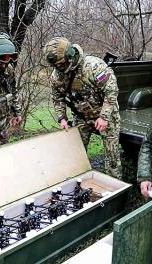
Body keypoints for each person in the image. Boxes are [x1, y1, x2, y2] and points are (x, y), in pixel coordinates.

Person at [43, 37, 122, 179]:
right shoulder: (57, 76)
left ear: (70, 56)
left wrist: (104, 117)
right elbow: (57, 97)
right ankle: (78, 184)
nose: (59, 68)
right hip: (81, 116)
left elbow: (111, 91)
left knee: (112, 158)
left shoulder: (93, 66)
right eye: (56, 66)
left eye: (61, 64)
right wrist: (62, 118)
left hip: (105, 115)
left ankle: (115, 189)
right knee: (77, 154)